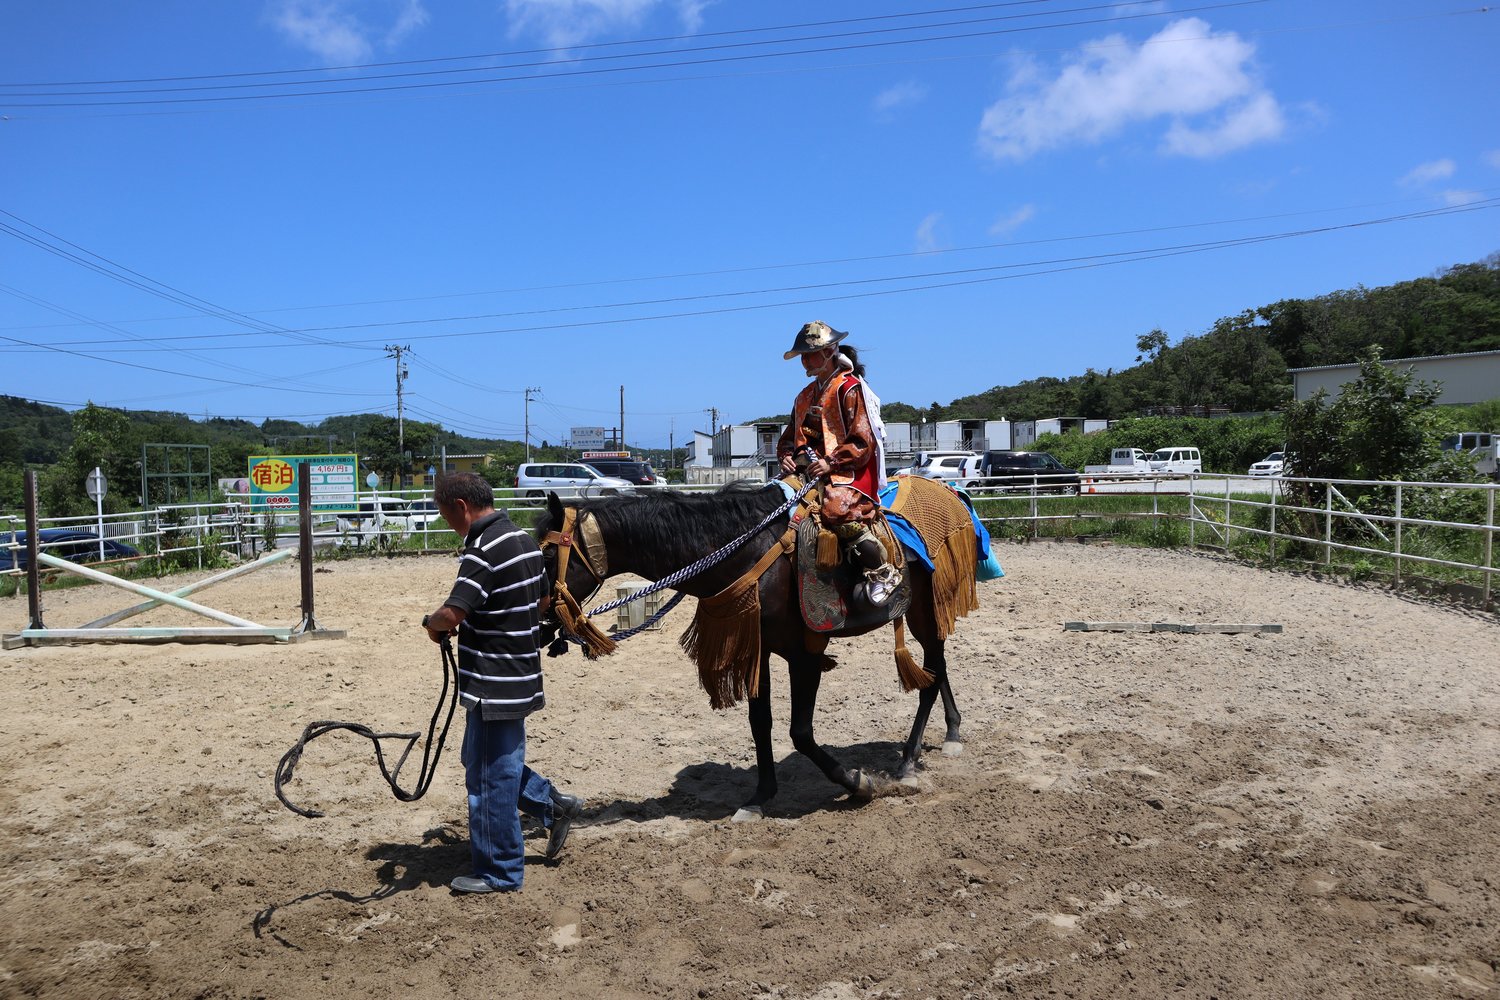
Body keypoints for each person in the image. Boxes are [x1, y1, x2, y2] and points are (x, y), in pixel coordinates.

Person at [423, 472, 583, 894]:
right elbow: (543, 600)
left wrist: (431, 625)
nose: (448, 524)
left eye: (446, 515)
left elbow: (452, 612)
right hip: (519, 675)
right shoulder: (524, 542)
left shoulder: (483, 550)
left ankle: (500, 871)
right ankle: (553, 804)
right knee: (482, 760)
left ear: (461, 506)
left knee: (490, 776)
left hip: (493, 681)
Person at [776, 320, 902, 606]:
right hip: (809, 470)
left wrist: (830, 462)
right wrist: (786, 456)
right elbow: (789, 437)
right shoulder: (804, 396)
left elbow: (863, 441)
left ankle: (883, 571)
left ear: (830, 351)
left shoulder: (850, 389)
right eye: (802, 356)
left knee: (837, 509)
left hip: (849, 471)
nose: (805, 361)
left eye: (810, 354)